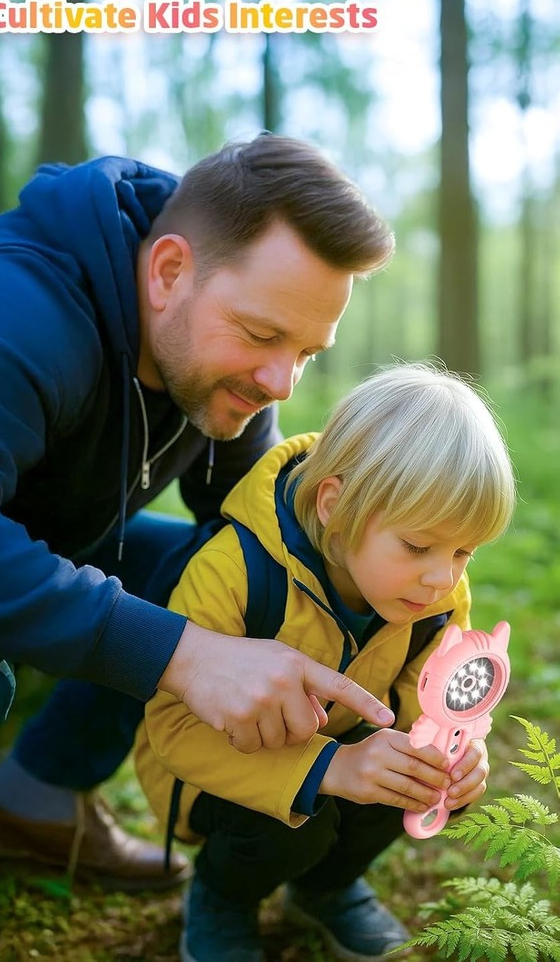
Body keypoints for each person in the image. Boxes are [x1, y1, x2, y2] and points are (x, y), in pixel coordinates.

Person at [0, 134, 396, 875]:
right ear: (169, 270)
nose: (279, 382)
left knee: (221, 570)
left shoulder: (217, 365)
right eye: (263, 334)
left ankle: (32, 804)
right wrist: (181, 655)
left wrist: (408, 633)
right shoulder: (21, 299)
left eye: (304, 353)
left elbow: (273, 539)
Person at [134, 362, 516, 961]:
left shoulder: (436, 596)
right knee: (289, 824)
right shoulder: (235, 573)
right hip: (222, 768)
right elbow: (175, 730)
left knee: (411, 772)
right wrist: (327, 769)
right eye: (417, 546)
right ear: (335, 505)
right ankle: (222, 897)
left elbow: (435, 700)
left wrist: (456, 750)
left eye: (464, 550)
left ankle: (325, 889)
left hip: (344, 747)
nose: (443, 576)